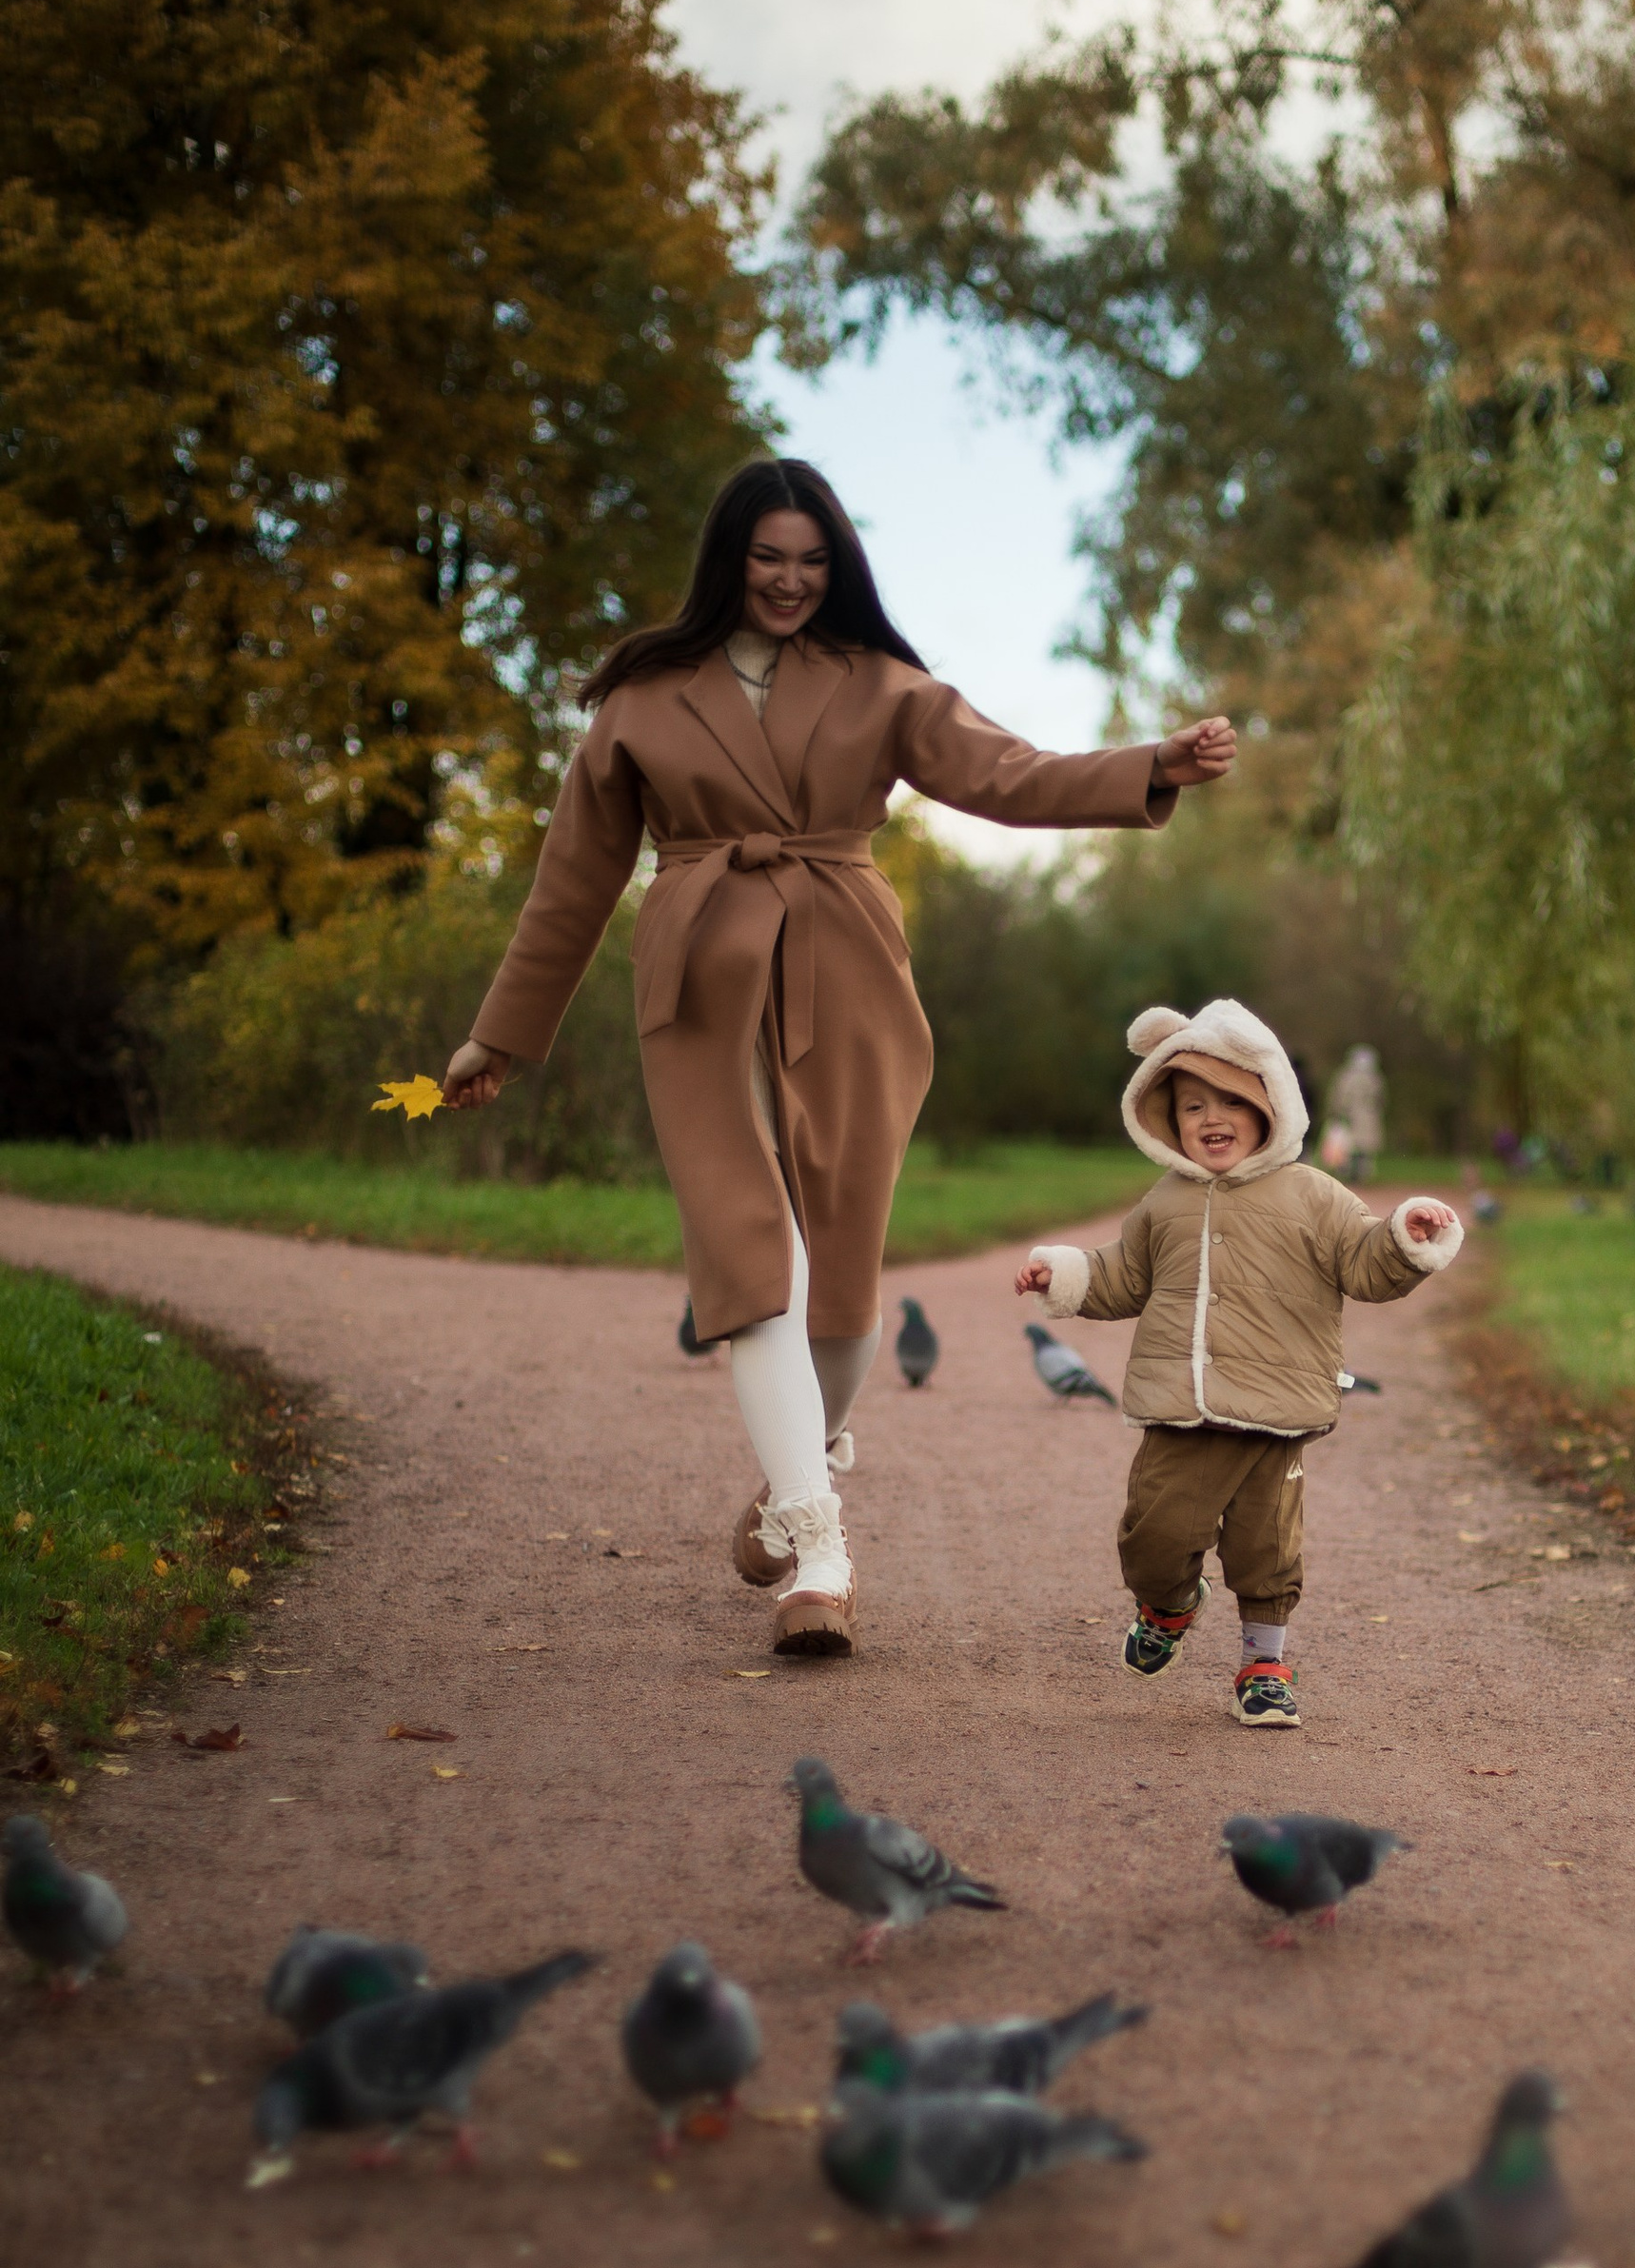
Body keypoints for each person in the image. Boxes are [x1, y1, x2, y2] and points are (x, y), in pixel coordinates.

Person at [442, 458, 1233, 1654]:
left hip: (848, 965)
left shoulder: (879, 684)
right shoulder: (643, 698)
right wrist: (500, 1035)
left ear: (837, 569)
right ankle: (818, 1544)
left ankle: (788, 1470)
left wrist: (1149, 767)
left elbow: (1004, 775)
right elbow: (574, 878)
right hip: (699, 970)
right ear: (729, 561)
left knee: (846, 1267)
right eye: (769, 559)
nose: (790, 582)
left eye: (813, 563)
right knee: (750, 1242)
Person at [1015, 1000, 1461, 1727]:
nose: (1210, 1116)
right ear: (1167, 1116)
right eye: (1193, 1104)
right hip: (1180, 1410)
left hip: (1278, 1414)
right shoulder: (1166, 1202)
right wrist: (1063, 1276)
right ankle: (1171, 1602)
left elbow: (1365, 1260)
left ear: (1272, 1107)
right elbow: (1124, 1274)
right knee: (1151, 1538)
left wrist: (1404, 1238)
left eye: (1231, 1101)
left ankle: (1265, 1666)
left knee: (1266, 1551)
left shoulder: (1313, 1194)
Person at [1325, 1041, 1387, 1183]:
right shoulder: (1375, 1078)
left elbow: (1338, 1097)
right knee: (1359, 1148)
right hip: (1363, 1118)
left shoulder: (1345, 1077)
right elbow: (1381, 1100)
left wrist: (1337, 1112)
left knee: (1351, 1147)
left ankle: (1352, 1174)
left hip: (1352, 1117)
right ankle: (1358, 1175)